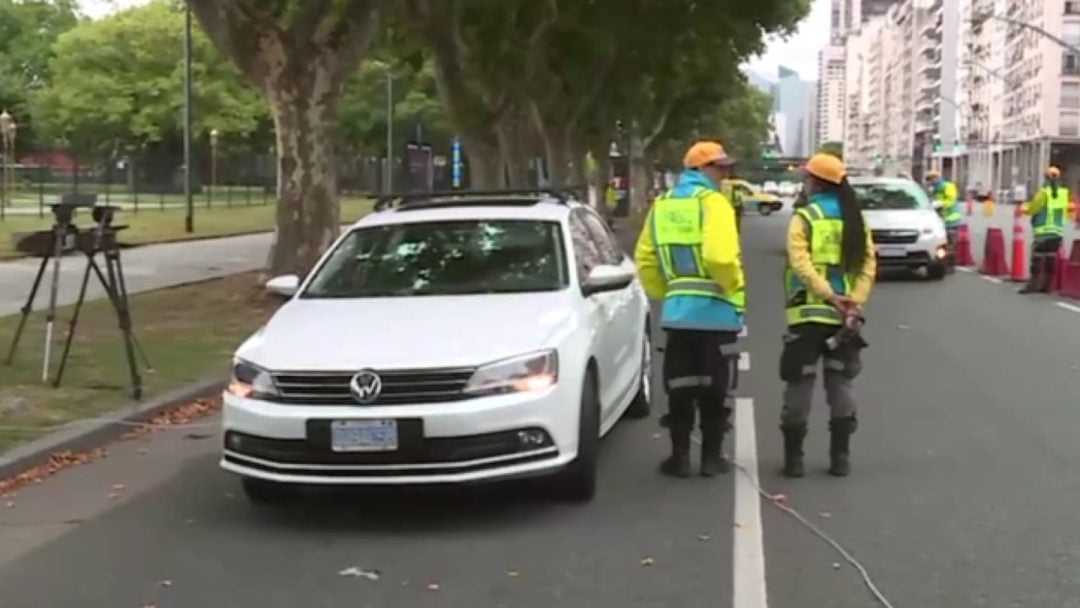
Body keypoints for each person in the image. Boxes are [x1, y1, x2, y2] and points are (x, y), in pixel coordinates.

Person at [635, 140, 745, 478]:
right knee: (716, 387)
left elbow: (646, 259)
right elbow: (720, 257)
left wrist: (669, 293)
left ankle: (679, 458)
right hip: (717, 311)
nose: (724, 174)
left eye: (726, 168)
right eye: (718, 167)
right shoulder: (714, 203)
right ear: (699, 169)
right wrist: (733, 285)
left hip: (678, 314)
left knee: (680, 385)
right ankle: (712, 459)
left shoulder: (663, 204)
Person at [779, 153, 876, 478]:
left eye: (806, 178)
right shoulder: (856, 220)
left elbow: (800, 264)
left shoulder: (804, 218)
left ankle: (794, 461)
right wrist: (852, 303)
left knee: (799, 385)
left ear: (815, 182)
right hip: (844, 320)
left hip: (806, 315)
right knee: (841, 385)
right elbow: (868, 267)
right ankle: (841, 458)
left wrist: (827, 295)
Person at [1018, 166, 1070, 294]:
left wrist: (1023, 208)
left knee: (1037, 259)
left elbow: (1033, 209)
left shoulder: (1043, 194)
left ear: (1045, 178)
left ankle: (1033, 285)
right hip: (1057, 232)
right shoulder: (1064, 194)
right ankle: (1047, 287)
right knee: (1050, 258)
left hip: (1043, 232)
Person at [926, 170, 960, 270]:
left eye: (931, 179)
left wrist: (940, 204)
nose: (930, 181)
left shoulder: (947, 186)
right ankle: (943, 263)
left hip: (951, 219)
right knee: (942, 243)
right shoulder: (934, 189)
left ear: (936, 178)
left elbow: (951, 200)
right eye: (929, 180)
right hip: (939, 220)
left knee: (950, 244)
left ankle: (950, 265)